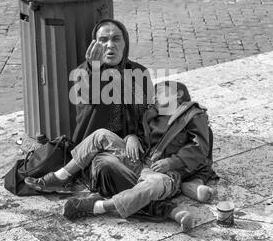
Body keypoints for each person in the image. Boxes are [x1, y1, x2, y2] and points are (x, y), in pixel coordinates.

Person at [26, 80, 218, 231]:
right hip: (141, 160)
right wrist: (131, 137)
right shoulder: (153, 115)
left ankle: (99, 206)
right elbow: (142, 137)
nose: (155, 96)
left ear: (177, 93)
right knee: (101, 135)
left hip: (167, 174)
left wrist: (171, 162)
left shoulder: (194, 115)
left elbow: (198, 146)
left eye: (160, 91)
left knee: (153, 185)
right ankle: (61, 177)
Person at [24, 18, 153, 194]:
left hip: (130, 149)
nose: (110, 45)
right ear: (94, 45)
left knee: (121, 171)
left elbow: (148, 115)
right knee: (107, 166)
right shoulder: (83, 73)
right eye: (103, 40)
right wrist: (95, 70)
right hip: (95, 151)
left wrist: (134, 135)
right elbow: (91, 98)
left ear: (126, 43)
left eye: (116, 39)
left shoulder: (138, 73)